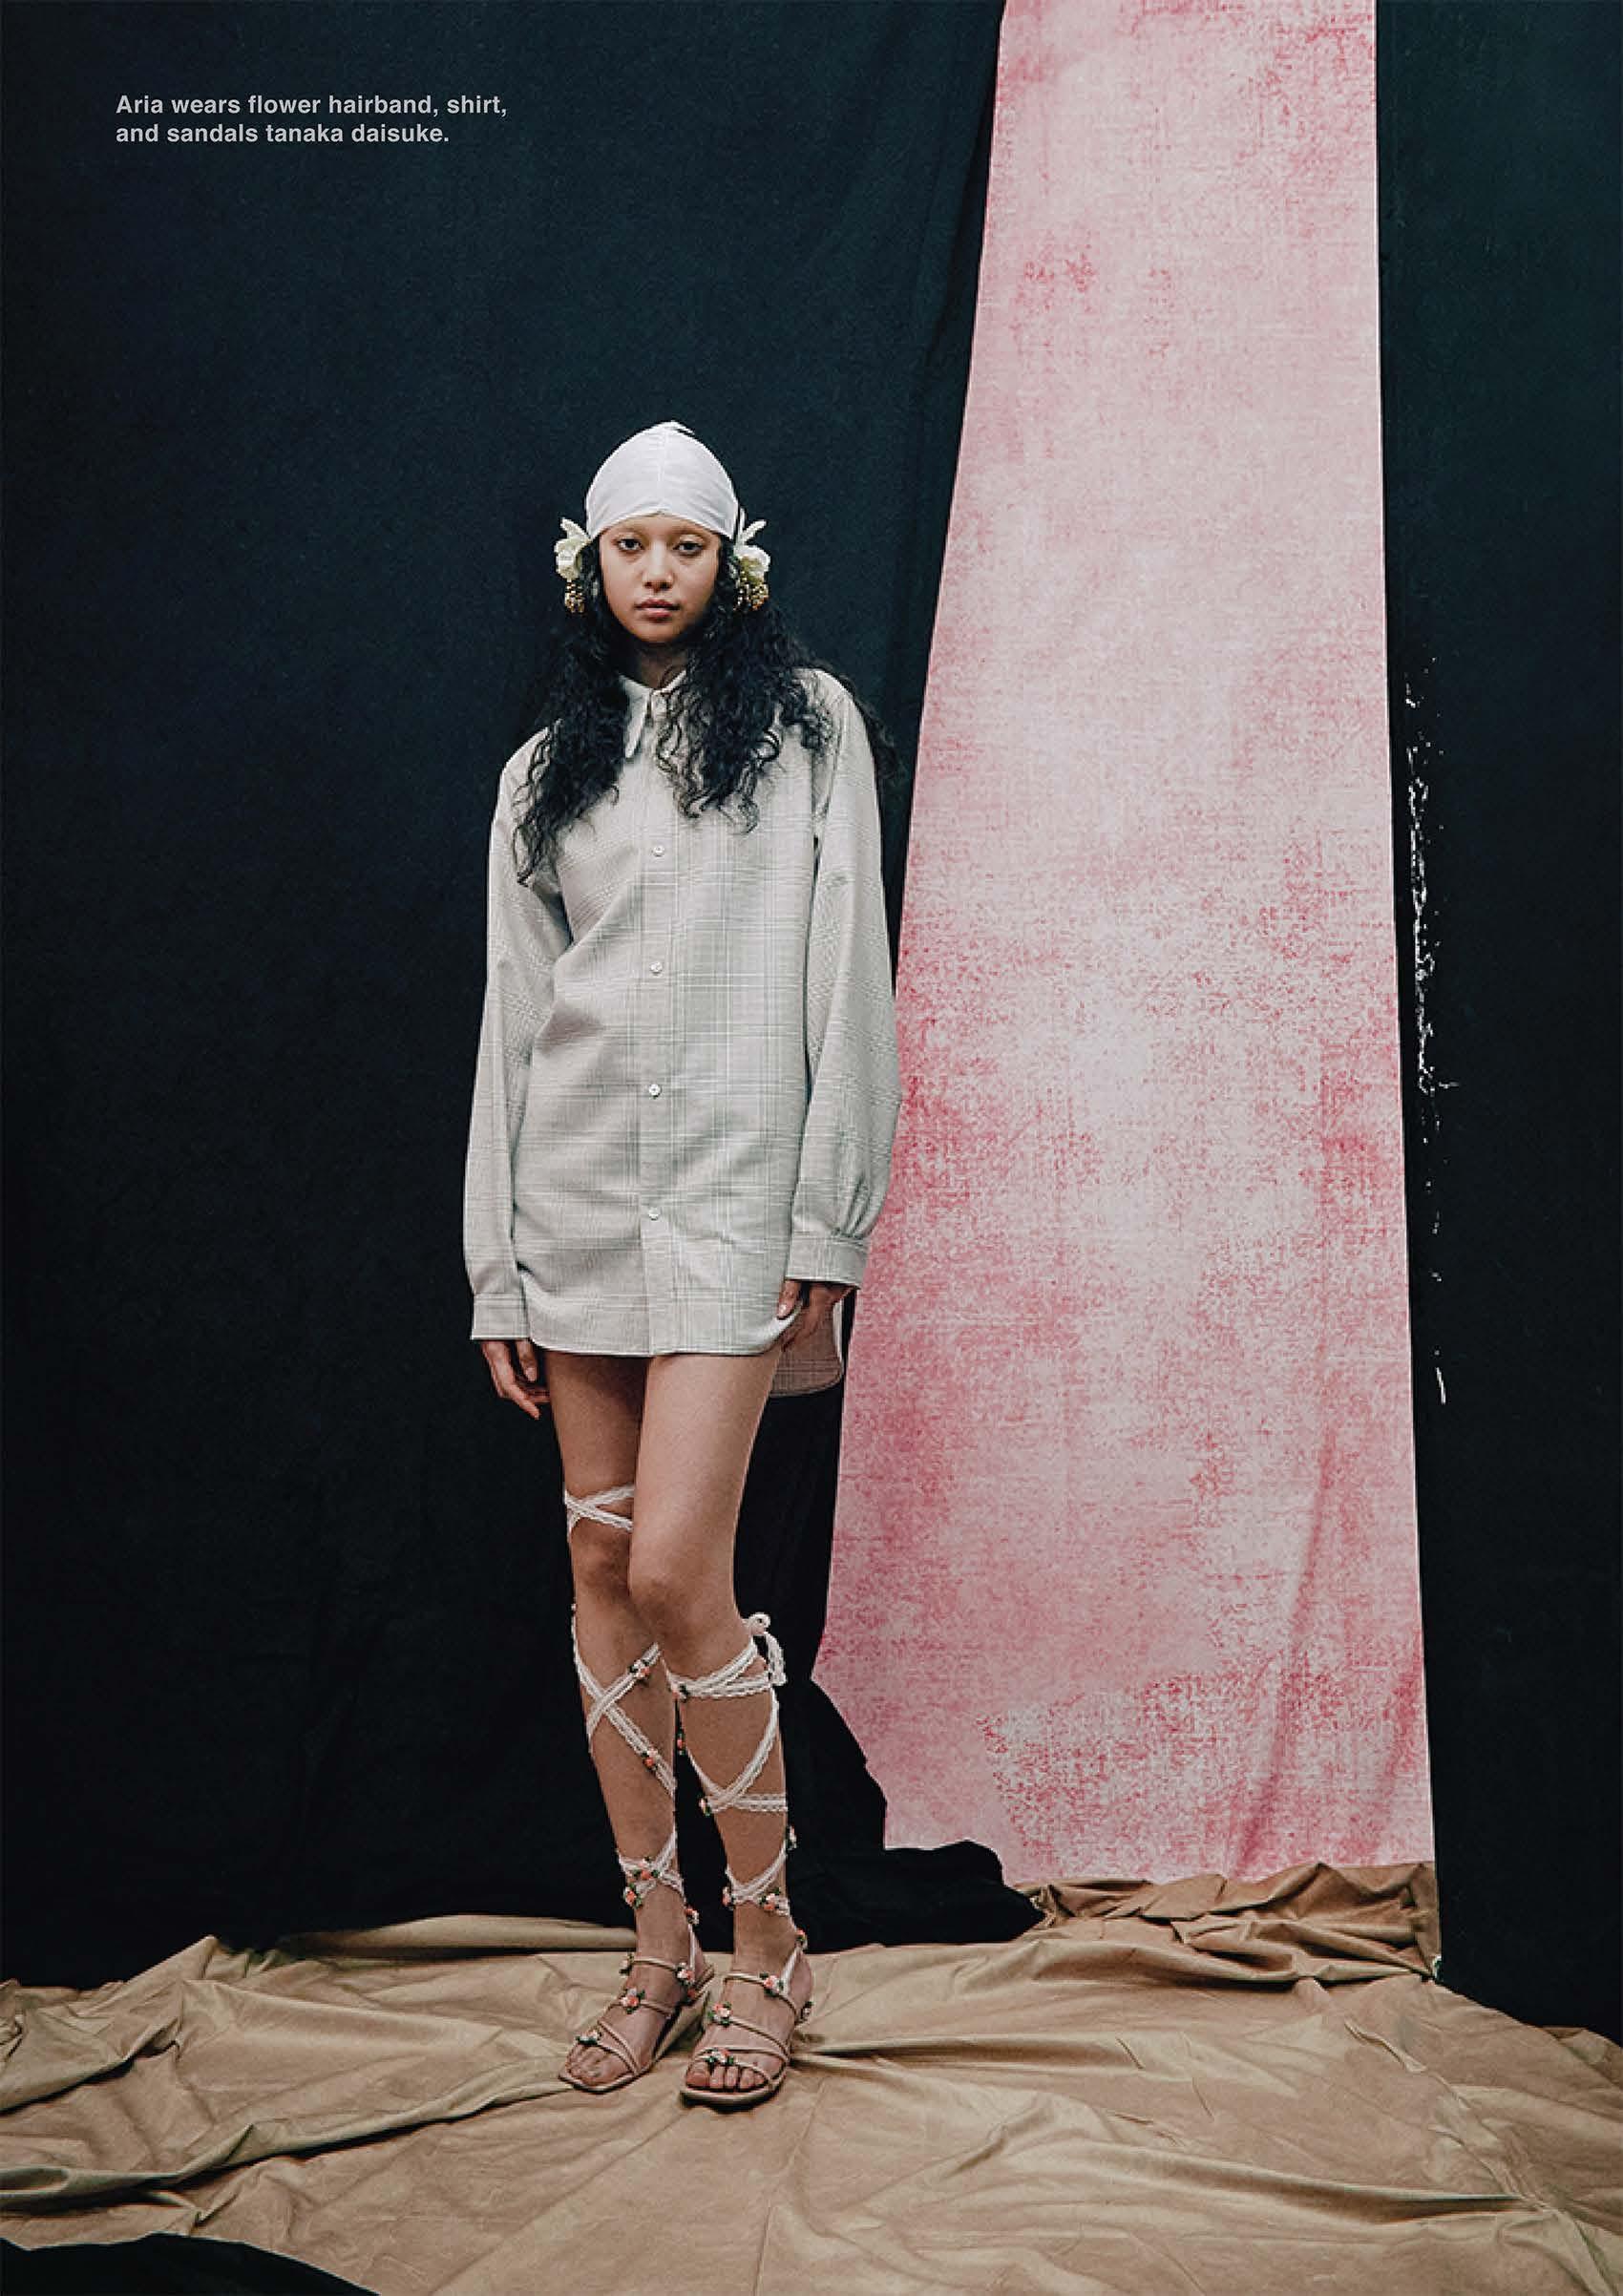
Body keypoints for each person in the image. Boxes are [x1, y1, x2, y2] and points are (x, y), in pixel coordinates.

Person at [462, 419, 903, 2109]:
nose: (659, 572)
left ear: (735, 566)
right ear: (591, 569)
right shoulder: (540, 775)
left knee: (673, 1570)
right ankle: (658, 1948)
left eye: (688, 545)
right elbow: (514, 1022)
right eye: (630, 546)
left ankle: (768, 1948)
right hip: (574, 1205)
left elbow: (847, 974)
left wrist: (826, 1219)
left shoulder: (809, 734)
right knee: (595, 1569)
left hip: (732, 1206)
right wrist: (497, 1266)